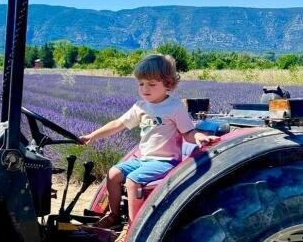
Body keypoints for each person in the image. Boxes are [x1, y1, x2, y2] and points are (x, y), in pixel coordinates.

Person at [79, 53, 218, 228]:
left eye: (152, 84)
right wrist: (91, 136)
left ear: (168, 84)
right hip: (144, 159)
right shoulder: (140, 106)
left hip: (166, 161)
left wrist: (199, 136)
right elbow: (118, 124)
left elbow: (188, 132)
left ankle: (133, 227)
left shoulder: (175, 107)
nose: (145, 89)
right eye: (141, 84)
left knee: (133, 180)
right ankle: (113, 215)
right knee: (113, 174)